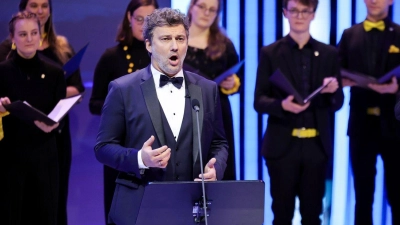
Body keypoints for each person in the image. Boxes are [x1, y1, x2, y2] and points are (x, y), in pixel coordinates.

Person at [94, 8, 228, 225]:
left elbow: (219, 142)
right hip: (138, 209)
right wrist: (140, 159)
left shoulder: (207, 89)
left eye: (180, 38)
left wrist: (216, 168)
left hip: (192, 210)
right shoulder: (122, 89)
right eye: (166, 38)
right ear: (149, 44)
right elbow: (103, 148)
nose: (174, 46)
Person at [253, 0, 344, 224]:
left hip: (316, 146)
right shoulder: (270, 53)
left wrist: (333, 91)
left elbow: (338, 102)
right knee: (281, 214)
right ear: (285, 13)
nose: (300, 16)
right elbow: (259, 101)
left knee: (313, 215)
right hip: (282, 146)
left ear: (314, 14)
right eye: (294, 10)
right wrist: (282, 105)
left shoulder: (329, 54)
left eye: (305, 11)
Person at [0, 1, 85, 224]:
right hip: (10, 158)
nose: (29, 38)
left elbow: (59, 114)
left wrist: (54, 124)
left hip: (45, 157)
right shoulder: (2, 72)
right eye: (23, 34)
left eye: (33, 33)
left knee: (45, 215)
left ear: (40, 35)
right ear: (13, 38)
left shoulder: (55, 73)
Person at [88, 1, 158, 223]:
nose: (144, 25)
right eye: (139, 19)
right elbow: (94, 103)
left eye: (150, 20)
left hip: (158, 147)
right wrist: (122, 107)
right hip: (121, 149)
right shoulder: (111, 56)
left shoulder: (163, 57)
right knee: (120, 212)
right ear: (129, 18)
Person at [338, 0, 400, 224]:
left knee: (398, 195)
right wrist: (343, 81)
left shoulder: (399, 34)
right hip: (361, 124)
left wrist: (397, 89)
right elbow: (336, 72)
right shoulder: (349, 34)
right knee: (363, 196)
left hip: (394, 126)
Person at [185, 0, 240, 180]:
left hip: (217, 112)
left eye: (212, 10)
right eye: (202, 7)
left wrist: (232, 83)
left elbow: (239, 81)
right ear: (191, 7)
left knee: (218, 161)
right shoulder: (177, 39)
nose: (206, 13)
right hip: (183, 110)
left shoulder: (225, 45)